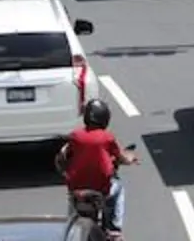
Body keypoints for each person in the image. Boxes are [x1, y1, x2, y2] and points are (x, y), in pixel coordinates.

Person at [56, 98, 139, 238]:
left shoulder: (75, 136)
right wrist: (131, 159)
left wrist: (65, 173)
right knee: (119, 190)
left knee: (72, 202)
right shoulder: (107, 138)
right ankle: (114, 229)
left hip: (77, 191)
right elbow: (121, 157)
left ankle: (71, 229)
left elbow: (61, 158)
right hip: (101, 189)